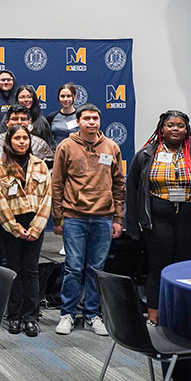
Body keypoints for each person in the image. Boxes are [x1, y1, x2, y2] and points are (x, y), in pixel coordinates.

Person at [126, 110, 191, 325]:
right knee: (158, 268)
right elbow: (133, 190)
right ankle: (154, 318)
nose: (175, 129)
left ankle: (181, 317)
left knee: (184, 268)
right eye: (170, 125)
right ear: (161, 129)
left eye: (180, 125)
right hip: (158, 219)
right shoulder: (146, 155)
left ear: (187, 130)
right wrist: (132, 225)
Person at [51, 104, 125, 337]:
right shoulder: (66, 146)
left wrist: (118, 218)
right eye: (87, 119)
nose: (92, 122)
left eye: (95, 118)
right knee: (73, 268)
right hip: (74, 218)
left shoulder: (111, 147)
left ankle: (93, 314)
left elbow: (119, 185)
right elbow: (57, 184)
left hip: (103, 218)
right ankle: (68, 314)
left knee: (96, 269)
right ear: (79, 121)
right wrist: (58, 217)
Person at [0, 125, 52, 337]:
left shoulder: (40, 165)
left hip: (35, 222)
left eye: (25, 138)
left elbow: (47, 198)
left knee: (31, 270)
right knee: (14, 269)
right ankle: (14, 315)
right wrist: (15, 228)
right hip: (11, 224)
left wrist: (35, 227)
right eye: (17, 138)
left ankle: (31, 317)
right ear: (10, 140)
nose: (22, 142)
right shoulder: (0, 166)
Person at [0, 105, 54, 169]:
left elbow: (52, 169)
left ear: (29, 122)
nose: (19, 122)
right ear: (7, 122)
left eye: (23, 119)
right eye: (15, 119)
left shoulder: (40, 144)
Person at [46, 83, 80, 150]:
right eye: (62, 96)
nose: (65, 99)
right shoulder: (52, 117)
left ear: (75, 97)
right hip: (56, 154)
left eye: (69, 96)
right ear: (58, 97)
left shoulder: (81, 116)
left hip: (76, 154)